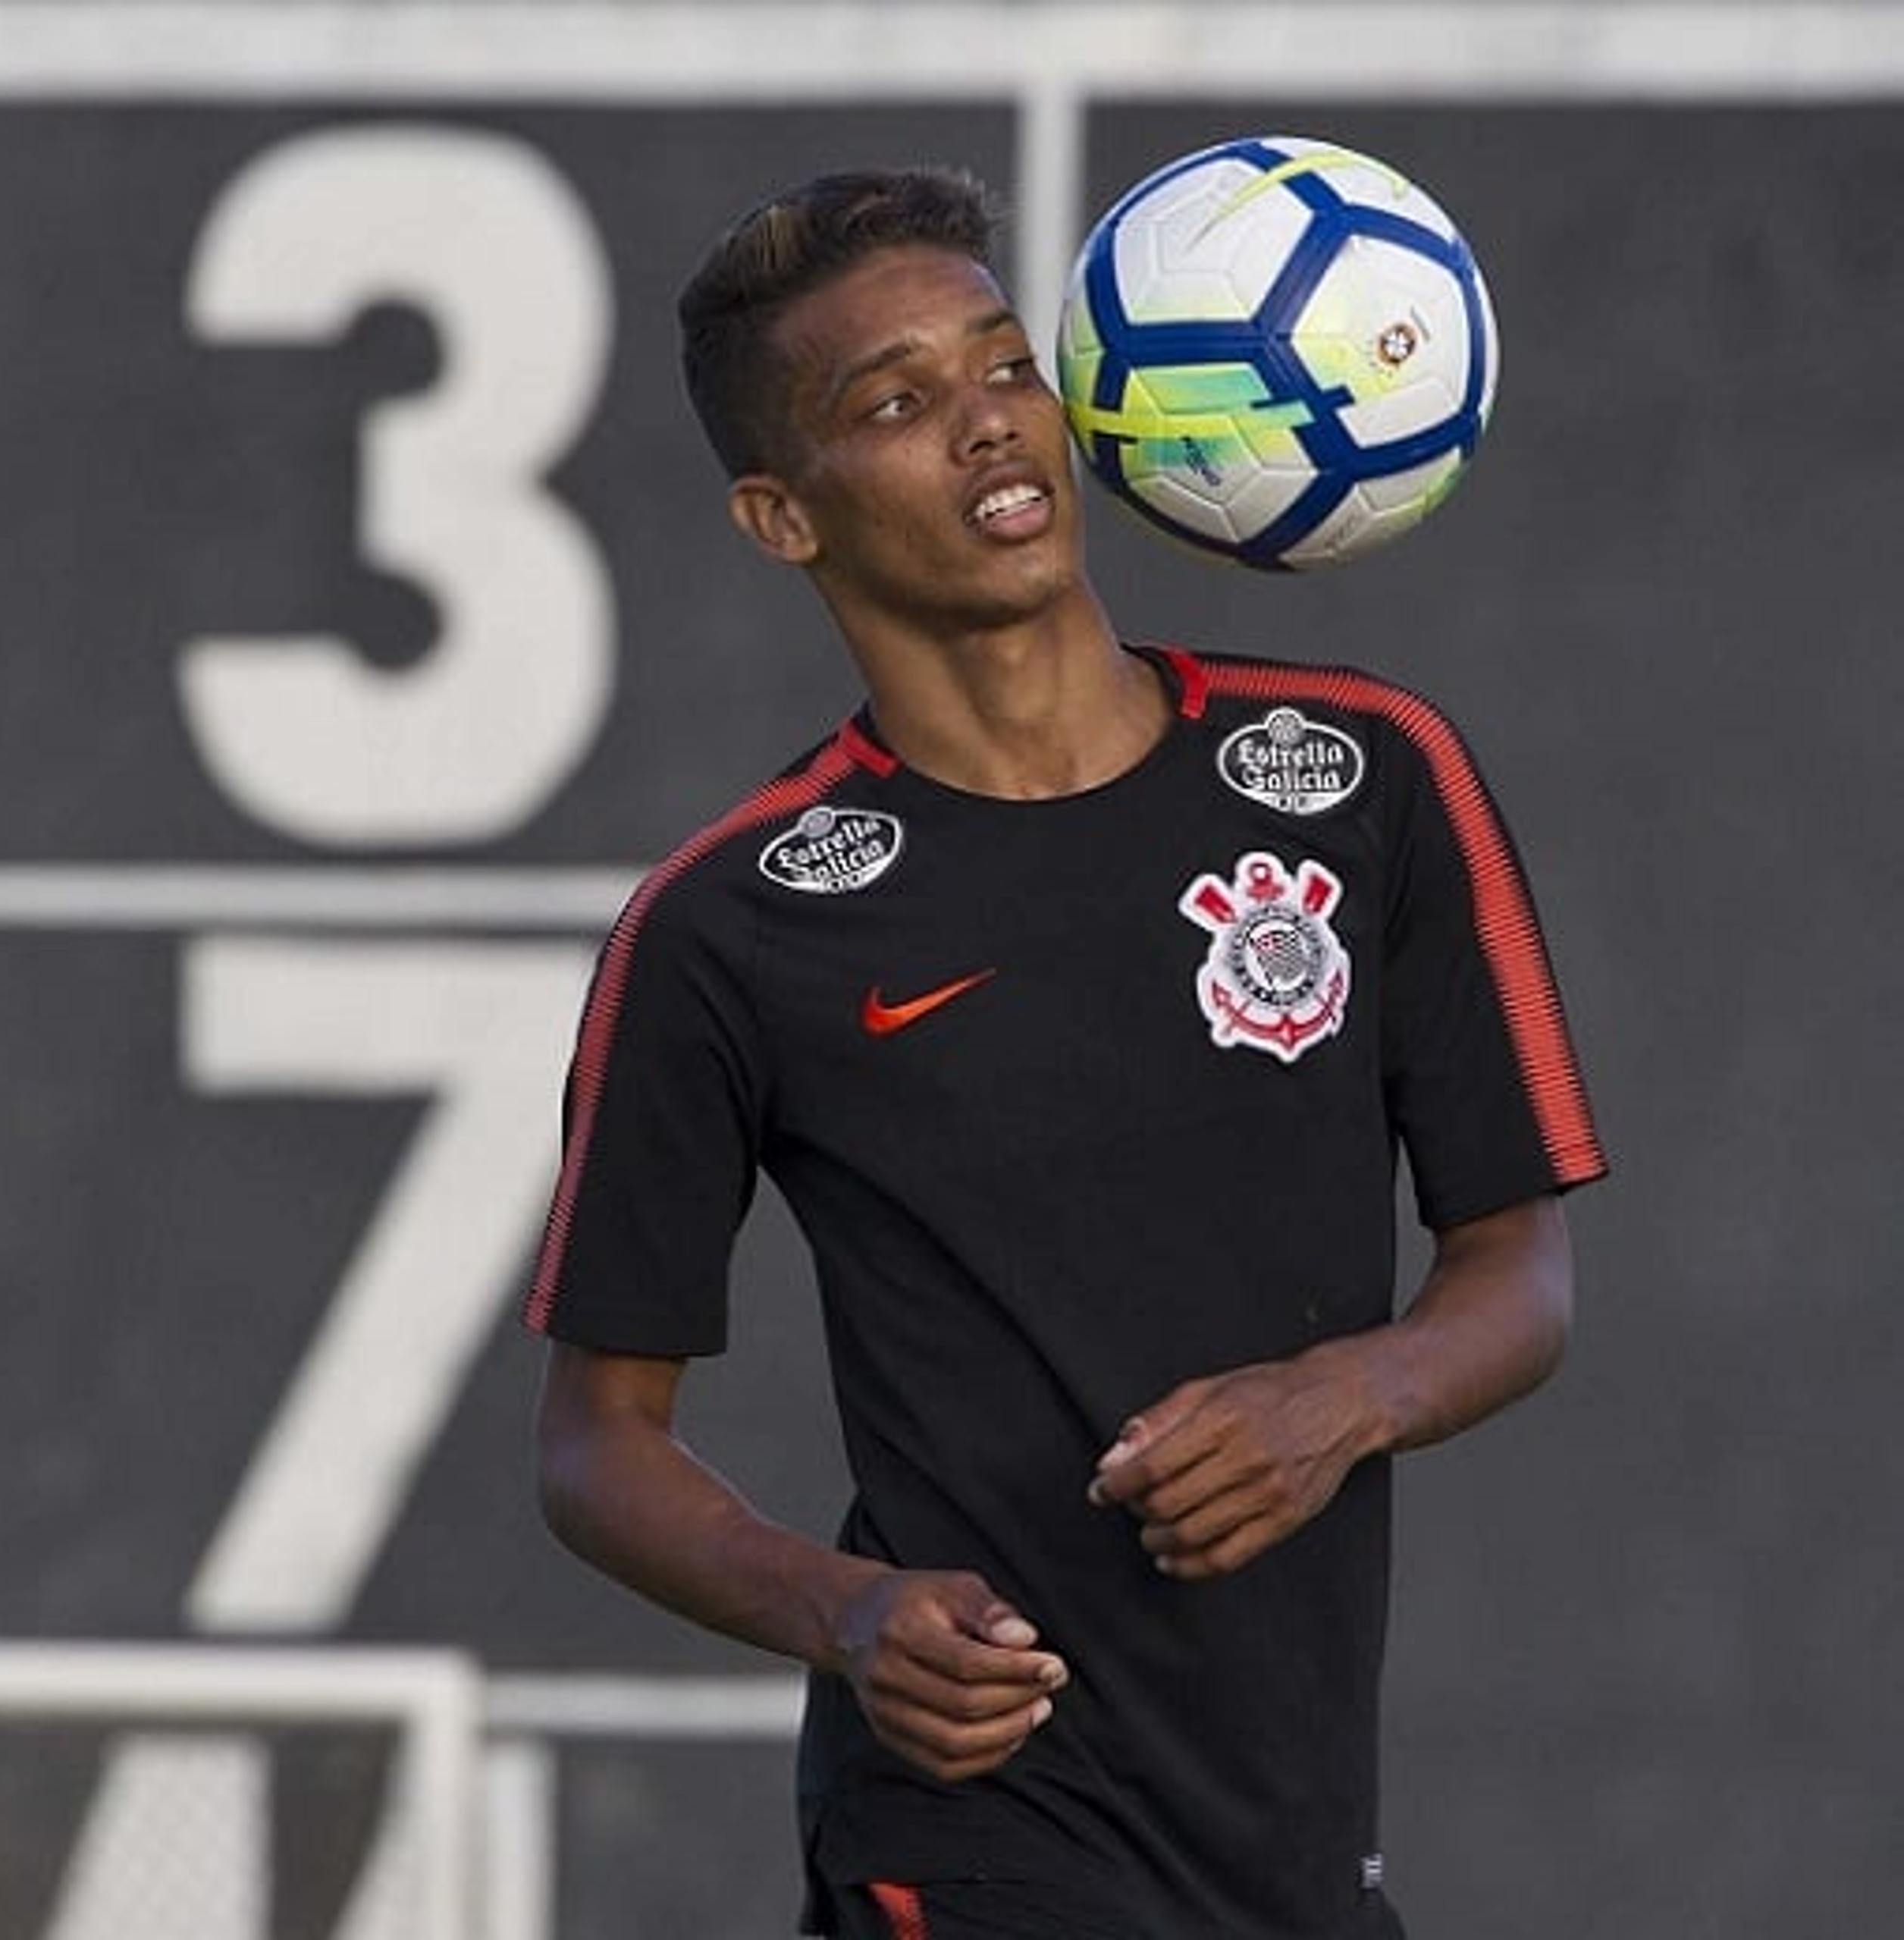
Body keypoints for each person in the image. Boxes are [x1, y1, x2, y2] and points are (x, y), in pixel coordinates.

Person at [523, 164, 1605, 1940]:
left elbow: (1522, 1273)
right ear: (782, 518)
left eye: (1003, 365)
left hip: (1296, 1840)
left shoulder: (1372, 775)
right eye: (894, 402)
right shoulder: (727, 923)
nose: (981, 426)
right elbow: (594, 1441)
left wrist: (1346, 1396)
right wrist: (843, 1609)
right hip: (974, 1828)